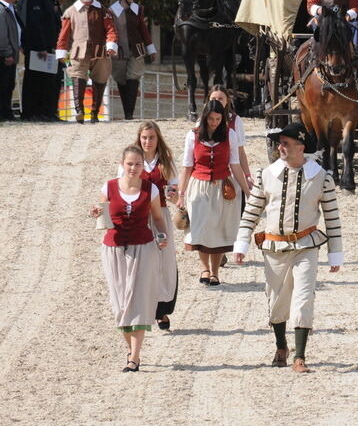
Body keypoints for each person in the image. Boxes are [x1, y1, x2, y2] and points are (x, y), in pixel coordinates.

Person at [233, 122, 343, 373]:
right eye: (280, 143)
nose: (280, 147)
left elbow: (332, 218)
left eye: (285, 143)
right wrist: (241, 241)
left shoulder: (321, 178)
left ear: (301, 147)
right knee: (276, 301)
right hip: (274, 246)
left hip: (306, 246)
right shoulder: (266, 175)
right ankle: (281, 345)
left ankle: (300, 356)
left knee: (304, 298)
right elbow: (252, 211)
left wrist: (334, 252)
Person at [91, 145, 168, 372]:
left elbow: (157, 218)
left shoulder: (151, 190)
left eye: (137, 164)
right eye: (129, 164)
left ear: (143, 166)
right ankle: (131, 349)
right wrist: (96, 212)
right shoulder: (108, 187)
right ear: (122, 165)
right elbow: (102, 215)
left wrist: (161, 236)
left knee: (139, 300)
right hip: (113, 250)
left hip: (143, 249)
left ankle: (134, 356)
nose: (133, 168)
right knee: (120, 305)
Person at [176, 99, 249, 286]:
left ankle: (215, 271)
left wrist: (248, 191)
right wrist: (181, 194)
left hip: (222, 187)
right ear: (204, 117)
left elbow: (235, 164)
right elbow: (187, 166)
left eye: (218, 119)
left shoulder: (230, 135)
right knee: (200, 229)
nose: (214, 122)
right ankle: (204, 268)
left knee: (218, 230)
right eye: (211, 119)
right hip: (199, 186)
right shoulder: (192, 136)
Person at [126, 122, 179, 331]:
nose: (147, 142)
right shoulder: (131, 161)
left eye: (152, 138)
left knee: (163, 261)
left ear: (158, 139)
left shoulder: (166, 162)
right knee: (139, 261)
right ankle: (142, 306)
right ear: (139, 138)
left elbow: (175, 194)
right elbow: (121, 187)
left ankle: (161, 308)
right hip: (138, 216)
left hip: (161, 215)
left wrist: (174, 195)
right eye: (144, 138)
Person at [56, 0, 118, 123]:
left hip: (100, 50)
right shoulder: (71, 11)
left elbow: (111, 29)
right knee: (77, 77)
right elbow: (64, 34)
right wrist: (61, 50)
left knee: (100, 79)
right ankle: (79, 111)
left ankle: (95, 113)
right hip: (78, 50)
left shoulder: (102, 10)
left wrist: (111, 44)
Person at [110, 0, 157, 120]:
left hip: (136, 50)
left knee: (133, 77)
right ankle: (126, 113)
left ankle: (129, 114)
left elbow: (143, 29)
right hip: (119, 50)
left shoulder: (138, 9)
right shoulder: (112, 10)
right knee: (121, 80)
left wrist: (151, 48)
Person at [21, 0, 59, 121]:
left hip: (47, 46)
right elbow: (36, 23)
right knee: (35, 81)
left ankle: (45, 112)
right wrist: (41, 46)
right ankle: (32, 112)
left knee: (46, 81)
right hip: (38, 48)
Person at [208, 84, 254, 207]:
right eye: (213, 99)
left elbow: (240, 152)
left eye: (220, 99)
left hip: (231, 174)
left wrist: (247, 175)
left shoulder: (235, 120)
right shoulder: (201, 122)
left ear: (227, 101)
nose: (216, 102)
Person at [0, 0, 23, 121]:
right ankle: (4, 113)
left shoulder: (9, 8)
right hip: (5, 56)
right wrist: (7, 53)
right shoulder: (2, 10)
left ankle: (6, 112)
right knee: (4, 85)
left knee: (9, 84)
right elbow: (1, 34)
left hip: (10, 53)